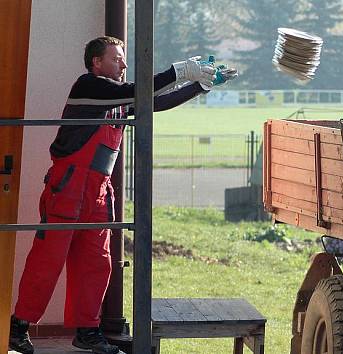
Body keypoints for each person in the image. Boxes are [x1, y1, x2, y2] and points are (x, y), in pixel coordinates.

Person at [8, 36, 237, 354]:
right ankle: (17, 328)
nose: (124, 64)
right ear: (96, 63)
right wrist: (181, 70)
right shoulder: (88, 87)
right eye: (117, 58)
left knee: (98, 263)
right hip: (68, 187)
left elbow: (157, 101)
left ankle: (87, 331)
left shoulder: (118, 96)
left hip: (99, 191)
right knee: (47, 261)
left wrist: (201, 86)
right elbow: (138, 91)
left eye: (123, 58)